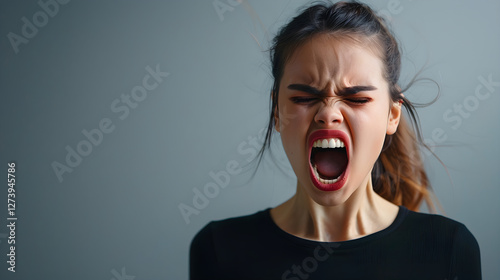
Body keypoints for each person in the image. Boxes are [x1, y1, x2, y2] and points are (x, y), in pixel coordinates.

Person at [190, 1, 481, 279]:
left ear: (392, 115)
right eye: (304, 97)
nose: (328, 114)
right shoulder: (219, 250)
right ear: (277, 112)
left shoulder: (449, 250)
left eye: (356, 98)